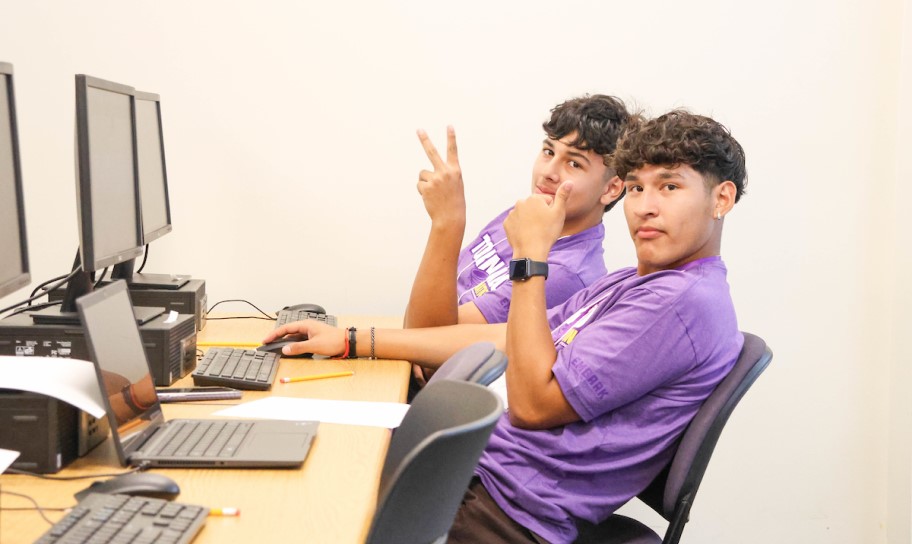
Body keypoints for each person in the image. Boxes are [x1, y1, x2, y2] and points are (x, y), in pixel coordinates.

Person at [264, 110, 748, 543]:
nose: (644, 205)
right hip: (478, 469)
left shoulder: (681, 302)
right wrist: (352, 341)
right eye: (639, 187)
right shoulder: (636, 283)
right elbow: (505, 337)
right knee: (293, 451)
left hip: (507, 511)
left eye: (669, 186)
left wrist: (531, 260)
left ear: (721, 198)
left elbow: (535, 405)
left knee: (289, 508)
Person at [404, 94, 633, 330]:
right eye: (548, 152)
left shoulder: (567, 275)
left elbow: (425, 335)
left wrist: (448, 221)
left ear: (612, 188)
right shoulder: (529, 214)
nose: (548, 172)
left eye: (574, 163)